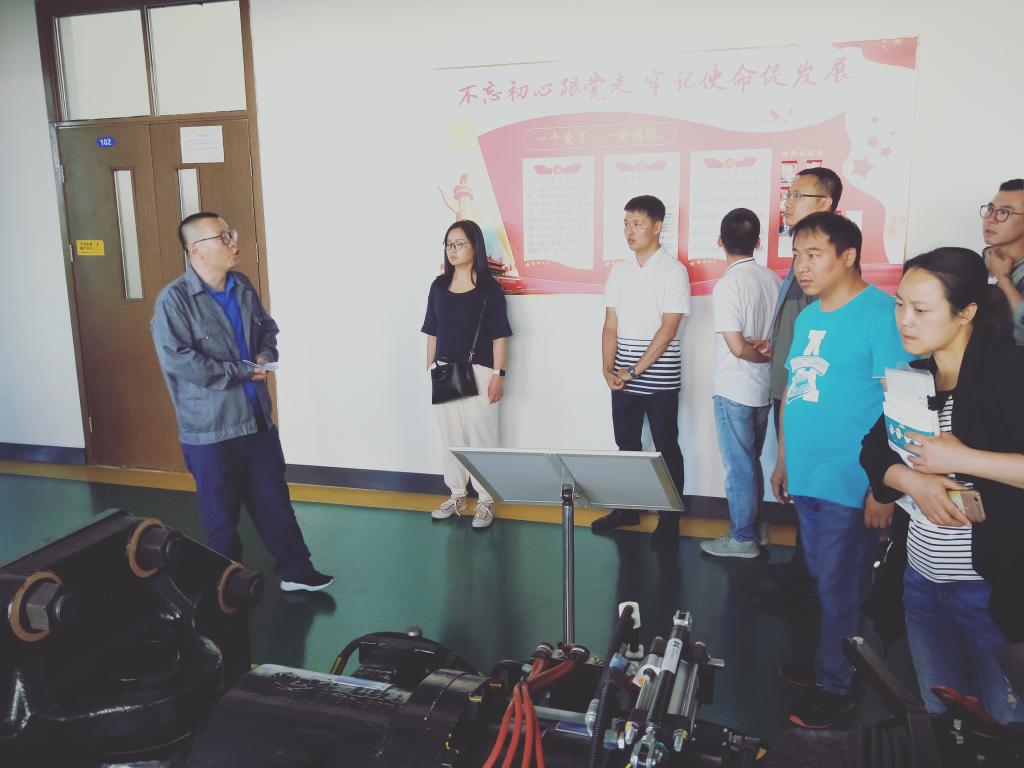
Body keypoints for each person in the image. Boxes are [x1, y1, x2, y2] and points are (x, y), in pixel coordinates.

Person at [860, 247, 1024, 724]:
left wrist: (961, 458)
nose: (904, 320)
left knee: (1006, 726)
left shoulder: (1008, 372)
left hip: (989, 591)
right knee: (942, 717)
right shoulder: (917, 378)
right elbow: (873, 451)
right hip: (922, 583)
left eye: (921, 309)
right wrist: (914, 482)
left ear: (966, 312)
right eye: (900, 304)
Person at [771, 212, 914, 728]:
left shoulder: (881, 314)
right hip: (807, 474)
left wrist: (883, 487)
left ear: (849, 255)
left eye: (814, 255)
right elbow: (794, 391)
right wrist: (783, 458)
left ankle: (839, 685)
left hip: (850, 481)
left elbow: (900, 407)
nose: (801, 267)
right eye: (797, 256)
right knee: (822, 580)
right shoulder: (808, 317)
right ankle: (827, 662)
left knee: (842, 587)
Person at [151, 212, 332, 592]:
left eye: (231, 234)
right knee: (220, 516)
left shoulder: (242, 286)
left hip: (256, 420)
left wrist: (264, 355)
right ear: (196, 250)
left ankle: (296, 571)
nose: (234, 243)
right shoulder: (174, 300)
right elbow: (180, 361)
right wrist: (240, 372)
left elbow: (267, 328)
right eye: (223, 237)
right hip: (211, 431)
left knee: (274, 501)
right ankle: (225, 586)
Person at [756, 167, 843, 607]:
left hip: (805, 390)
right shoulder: (800, 257)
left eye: (797, 195)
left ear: (825, 204)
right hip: (788, 383)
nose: (786, 204)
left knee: (809, 482)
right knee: (796, 480)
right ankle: (801, 567)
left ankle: (811, 580)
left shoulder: (828, 262)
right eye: (787, 195)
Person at [592, 195, 691, 550]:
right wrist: (607, 369)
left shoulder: (673, 271)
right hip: (622, 376)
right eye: (626, 224)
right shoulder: (619, 271)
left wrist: (634, 370)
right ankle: (629, 509)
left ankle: (670, 518)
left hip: (659, 376)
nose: (629, 231)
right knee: (627, 445)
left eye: (637, 224)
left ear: (658, 226)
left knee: (665, 446)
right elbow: (610, 325)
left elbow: (668, 329)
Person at [422, 219, 512, 529]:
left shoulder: (489, 289)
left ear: (475, 247)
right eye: (449, 244)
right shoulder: (438, 286)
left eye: (459, 244)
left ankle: (486, 500)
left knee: (482, 437)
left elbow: (500, 335)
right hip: (445, 369)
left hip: (481, 370)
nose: (453, 250)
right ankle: (457, 495)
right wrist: (430, 367)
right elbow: (432, 331)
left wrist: (498, 374)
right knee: (451, 437)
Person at [701, 208, 781, 559]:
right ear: (758, 242)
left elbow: (736, 347)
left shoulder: (728, 285)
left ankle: (742, 538)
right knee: (750, 462)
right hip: (763, 390)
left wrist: (756, 355)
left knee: (739, 467)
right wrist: (768, 357)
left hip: (734, 388)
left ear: (720, 241)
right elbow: (776, 339)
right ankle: (758, 529)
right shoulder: (773, 280)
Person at [982, 179, 1024, 346]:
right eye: (990, 209)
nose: (991, 219)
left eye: (1004, 212)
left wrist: (1003, 279)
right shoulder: (981, 259)